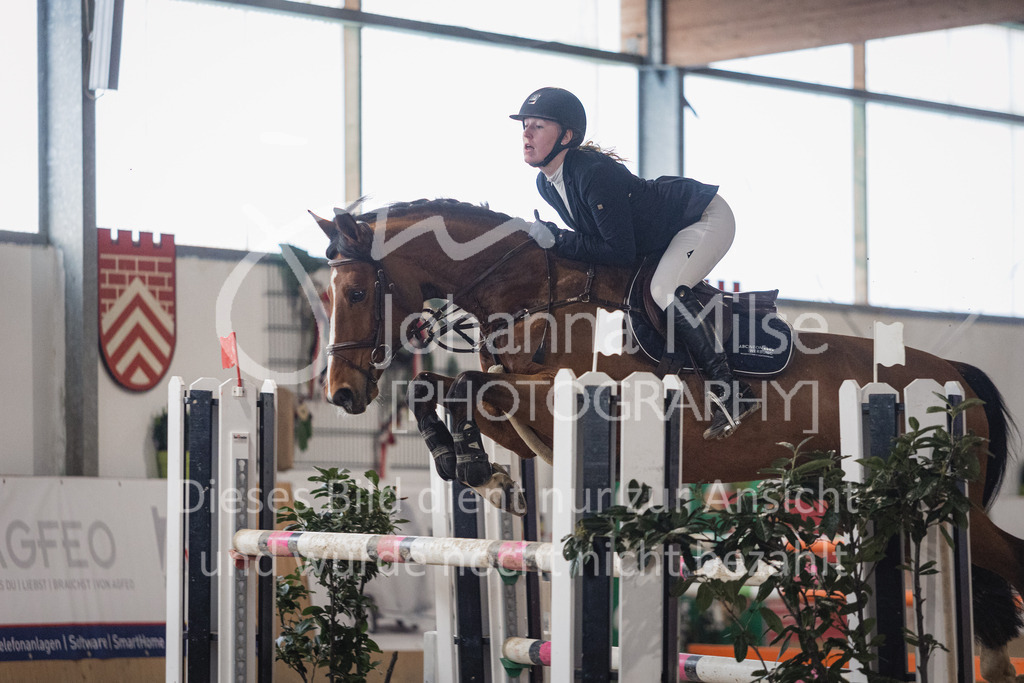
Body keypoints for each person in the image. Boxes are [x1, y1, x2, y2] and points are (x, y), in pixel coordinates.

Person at [511, 86, 759, 440]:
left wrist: (559, 238)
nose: (526, 133)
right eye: (525, 125)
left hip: (703, 218)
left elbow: (618, 250)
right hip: (663, 235)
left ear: (567, 136)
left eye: (537, 126)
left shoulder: (591, 173)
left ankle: (731, 393)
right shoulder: (546, 184)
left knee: (665, 289)